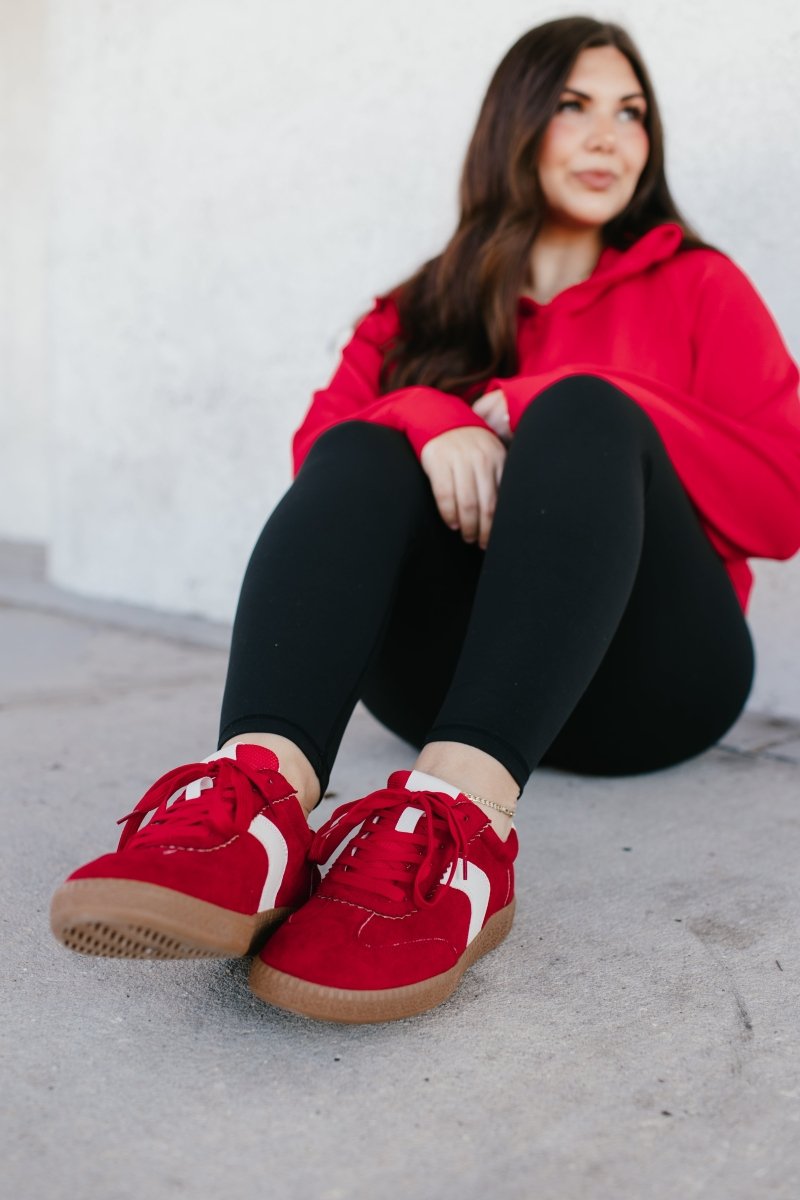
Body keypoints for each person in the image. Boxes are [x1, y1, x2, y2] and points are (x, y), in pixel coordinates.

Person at [50, 16, 800, 1024]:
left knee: (581, 408)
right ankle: (259, 808)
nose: (609, 138)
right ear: (514, 124)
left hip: (651, 684)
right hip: (442, 677)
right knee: (364, 445)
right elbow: (321, 475)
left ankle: (460, 820)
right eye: (574, 106)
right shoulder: (424, 302)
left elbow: (781, 501)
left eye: (631, 113)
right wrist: (428, 413)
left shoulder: (699, 286)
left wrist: (544, 400)